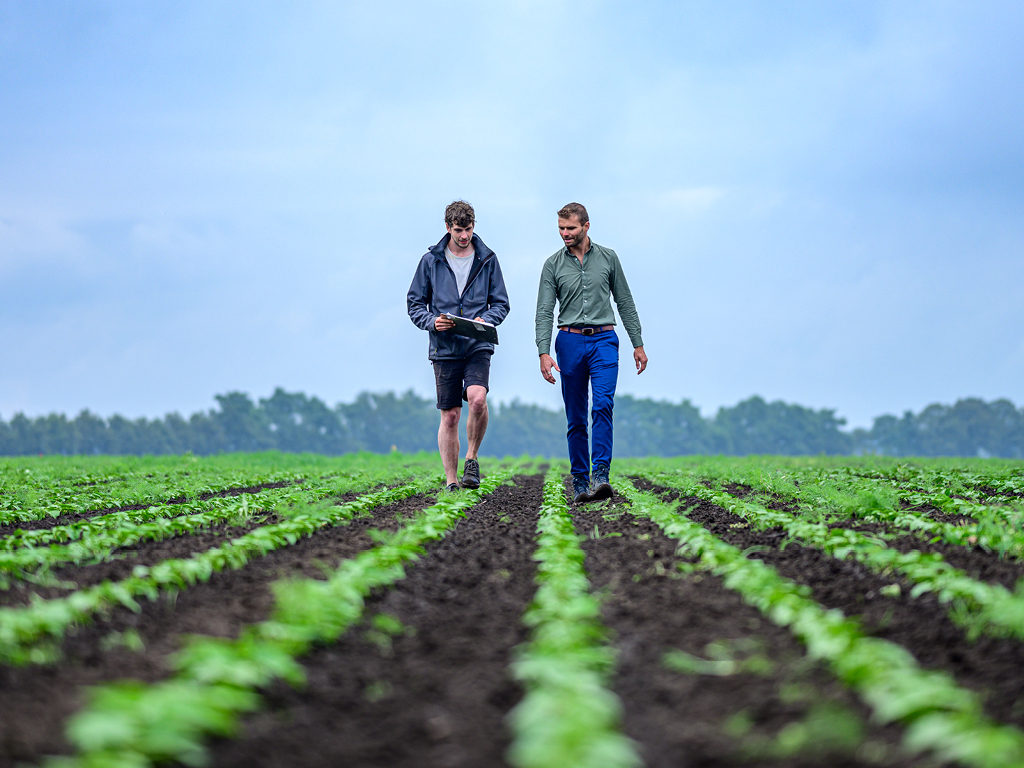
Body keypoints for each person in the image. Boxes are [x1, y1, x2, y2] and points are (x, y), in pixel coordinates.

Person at [535, 202, 648, 504]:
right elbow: (545, 310)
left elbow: (624, 301)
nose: (564, 234)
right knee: (576, 417)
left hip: (604, 341)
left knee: (602, 405)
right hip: (569, 342)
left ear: (586, 226)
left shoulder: (609, 258)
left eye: (570, 228)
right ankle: (580, 482)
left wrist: (637, 343)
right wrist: (543, 351)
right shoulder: (552, 265)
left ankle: (601, 475)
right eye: (560, 228)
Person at [408, 200, 510, 492]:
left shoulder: (488, 259)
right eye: (458, 230)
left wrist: (485, 319)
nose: (464, 236)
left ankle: (472, 458)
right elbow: (415, 303)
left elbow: (501, 303)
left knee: (477, 399)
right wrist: (431, 322)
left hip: (478, 342)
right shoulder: (430, 261)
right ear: (447, 228)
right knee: (450, 414)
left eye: (468, 229)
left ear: (474, 226)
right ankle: (452, 481)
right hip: (444, 347)